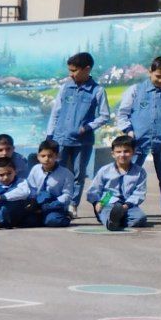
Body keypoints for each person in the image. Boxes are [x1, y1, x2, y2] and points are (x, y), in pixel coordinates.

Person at [45, 51, 111, 205]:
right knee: (56, 172)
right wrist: (50, 135)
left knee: (78, 174)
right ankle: (54, 203)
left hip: (82, 142)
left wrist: (88, 127)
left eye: (74, 71)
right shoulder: (65, 88)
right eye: (70, 70)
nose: (71, 74)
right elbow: (56, 112)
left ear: (87, 69)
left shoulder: (97, 91)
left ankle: (73, 205)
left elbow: (104, 116)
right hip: (60, 138)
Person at [115, 56, 161, 222]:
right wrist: (129, 132)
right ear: (150, 72)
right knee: (129, 175)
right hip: (137, 144)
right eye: (158, 76)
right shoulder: (135, 90)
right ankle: (121, 208)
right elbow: (122, 114)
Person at [0, 139, 75, 228]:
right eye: (43, 156)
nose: (46, 159)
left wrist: (48, 206)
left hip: (54, 205)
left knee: (52, 221)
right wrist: (33, 202)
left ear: (57, 156)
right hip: (37, 203)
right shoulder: (36, 169)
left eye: (50, 156)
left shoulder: (66, 173)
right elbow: (31, 187)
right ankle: (41, 219)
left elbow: (67, 195)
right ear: (38, 156)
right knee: (26, 222)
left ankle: (65, 216)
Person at [87, 134, 149, 230]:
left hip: (128, 204)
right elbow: (94, 189)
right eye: (118, 152)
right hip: (107, 200)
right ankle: (110, 220)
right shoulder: (105, 170)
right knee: (106, 212)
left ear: (133, 152)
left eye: (126, 151)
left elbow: (139, 193)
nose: (122, 155)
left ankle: (116, 219)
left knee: (140, 218)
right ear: (113, 154)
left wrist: (126, 206)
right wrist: (96, 203)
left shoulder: (140, 172)